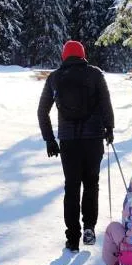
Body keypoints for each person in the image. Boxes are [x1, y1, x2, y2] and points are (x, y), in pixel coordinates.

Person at [38, 40, 115, 253]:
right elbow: (105, 103)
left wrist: (49, 139)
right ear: (82, 55)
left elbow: (42, 111)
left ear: (64, 56)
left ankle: (72, 237)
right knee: (91, 183)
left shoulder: (54, 78)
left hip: (68, 141)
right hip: (93, 139)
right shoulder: (95, 74)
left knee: (71, 186)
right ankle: (89, 228)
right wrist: (109, 128)